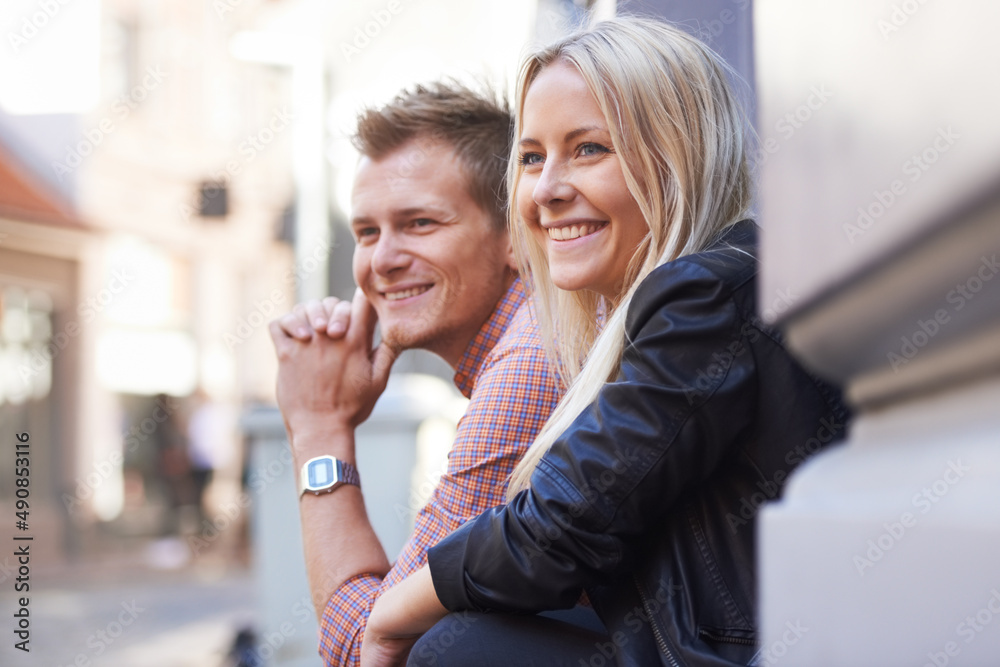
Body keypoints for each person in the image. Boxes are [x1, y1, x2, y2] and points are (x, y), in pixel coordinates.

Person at [361, 18, 849, 667]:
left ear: (678, 154)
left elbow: (558, 531)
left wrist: (391, 613)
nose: (547, 190)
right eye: (532, 157)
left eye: (589, 148)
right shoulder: (711, 287)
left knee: (451, 648)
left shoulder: (703, 297)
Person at [267, 81, 566, 666]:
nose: (382, 260)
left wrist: (319, 428)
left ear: (516, 237)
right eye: (366, 232)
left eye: (420, 223)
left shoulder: (532, 359)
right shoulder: (526, 338)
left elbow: (365, 651)